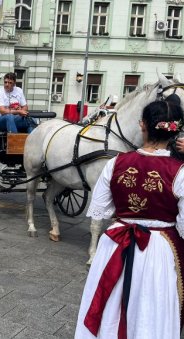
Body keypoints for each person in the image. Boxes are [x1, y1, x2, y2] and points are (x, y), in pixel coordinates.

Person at [75, 95, 184, 339]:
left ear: (143, 125)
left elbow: (102, 208)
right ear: (175, 131)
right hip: (158, 249)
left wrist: (130, 214)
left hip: (115, 244)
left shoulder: (116, 162)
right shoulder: (180, 173)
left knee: (110, 303)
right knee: (150, 307)